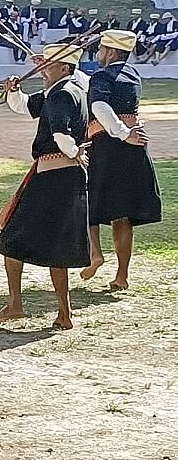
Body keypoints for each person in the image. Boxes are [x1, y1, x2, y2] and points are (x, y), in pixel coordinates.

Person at [0, 44, 91, 329]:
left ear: (64, 68)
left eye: (48, 64)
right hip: (64, 178)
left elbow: (61, 133)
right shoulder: (69, 89)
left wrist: (72, 151)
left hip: (51, 178)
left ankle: (16, 305)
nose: (42, 68)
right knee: (56, 246)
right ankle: (63, 313)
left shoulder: (60, 93)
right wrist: (13, 91)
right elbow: (26, 105)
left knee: (10, 238)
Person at [78, 31, 160, 291]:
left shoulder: (102, 77)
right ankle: (121, 275)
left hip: (108, 148)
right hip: (134, 150)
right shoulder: (133, 75)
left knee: (90, 205)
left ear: (111, 52)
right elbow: (92, 83)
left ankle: (95, 254)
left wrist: (122, 134)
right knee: (121, 215)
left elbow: (99, 106)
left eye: (101, 50)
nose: (98, 54)